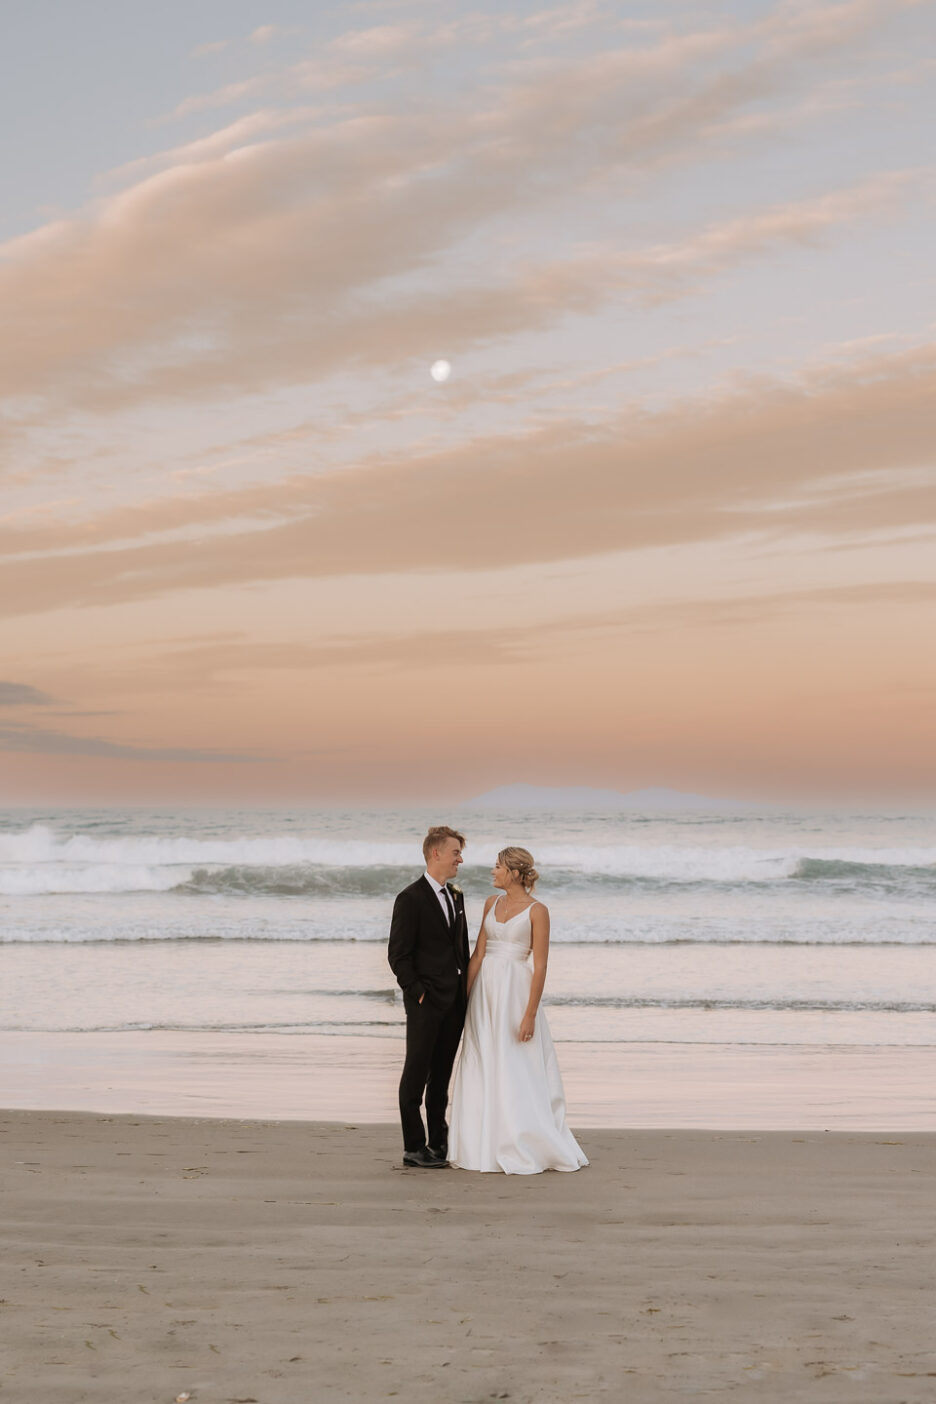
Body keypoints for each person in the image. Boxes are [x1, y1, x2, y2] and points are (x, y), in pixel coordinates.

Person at [448, 846, 588, 1175]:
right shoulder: (490, 903)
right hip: (485, 992)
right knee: (482, 1060)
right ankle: (479, 1142)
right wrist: (464, 1000)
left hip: (515, 993)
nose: (492, 871)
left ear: (513, 872)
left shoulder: (538, 911)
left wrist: (529, 1014)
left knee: (514, 1063)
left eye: (497, 866)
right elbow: (478, 955)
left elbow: (539, 967)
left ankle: (520, 1140)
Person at [388, 826, 469, 1168]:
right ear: (435, 853)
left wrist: (465, 990)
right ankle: (413, 1147)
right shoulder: (410, 898)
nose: (460, 860)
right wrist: (418, 993)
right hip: (425, 1004)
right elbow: (398, 955)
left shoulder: (456, 895)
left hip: (454, 1003)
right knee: (416, 1076)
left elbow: (460, 949)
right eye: (455, 853)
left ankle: (438, 1142)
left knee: (441, 1077)